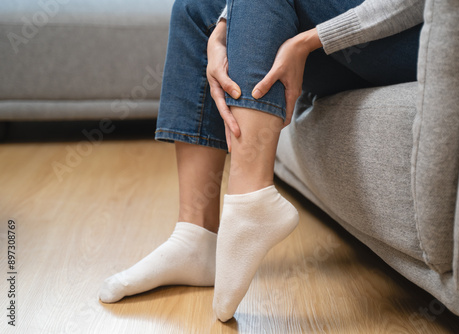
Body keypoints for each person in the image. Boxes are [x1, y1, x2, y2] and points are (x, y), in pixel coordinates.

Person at [99, 0, 424, 322]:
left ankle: (252, 198)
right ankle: (194, 238)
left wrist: (309, 40)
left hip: (414, 37)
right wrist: (228, 26)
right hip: (356, 48)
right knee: (196, 8)